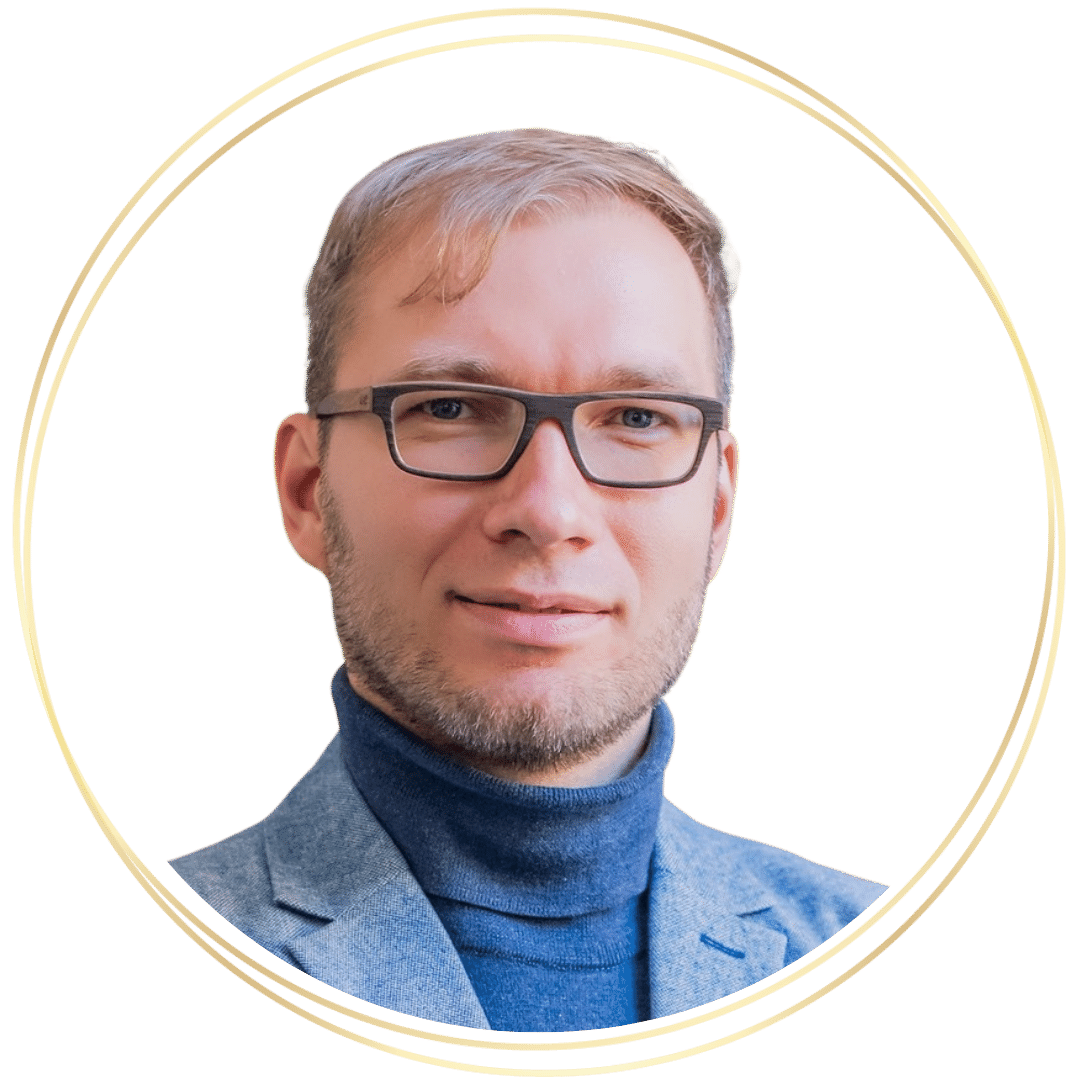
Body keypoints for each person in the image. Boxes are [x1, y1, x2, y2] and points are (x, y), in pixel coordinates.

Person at [168, 127, 887, 1032]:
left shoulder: (862, 934)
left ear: (717, 509)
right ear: (308, 491)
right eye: (449, 408)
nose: (548, 510)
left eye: (637, 417)